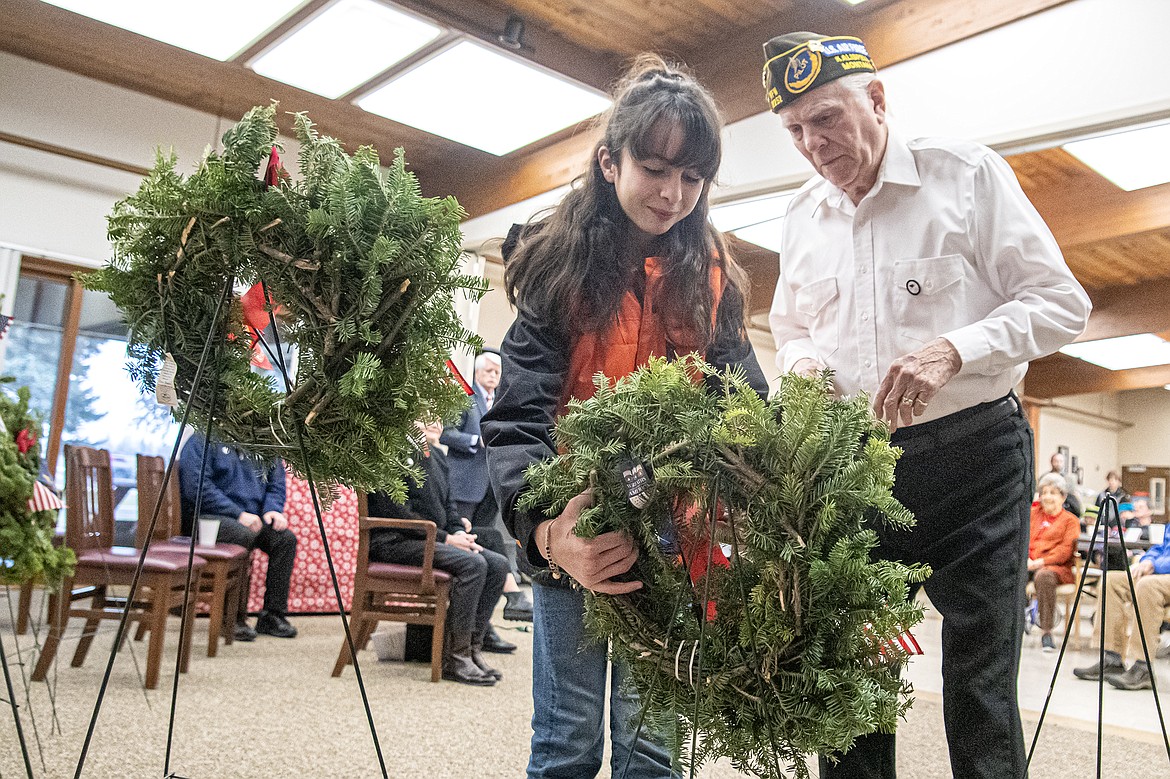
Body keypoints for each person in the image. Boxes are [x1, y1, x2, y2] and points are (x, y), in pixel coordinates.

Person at [762, 31, 1091, 779]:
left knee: (977, 683)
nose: (813, 144)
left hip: (977, 459)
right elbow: (793, 328)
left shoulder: (966, 176)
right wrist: (807, 364)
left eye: (827, 119)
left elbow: (1061, 303)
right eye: (795, 130)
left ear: (877, 100)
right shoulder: (801, 218)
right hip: (857, 471)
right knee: (849, 679)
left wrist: (956, 347)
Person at [482, 53, 767, 779]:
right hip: (576, 543)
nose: (674, 194)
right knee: (567, 741)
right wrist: (548, 535)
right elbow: (516, 421)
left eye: (692, 177)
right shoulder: (558, 265)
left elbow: (745, 406)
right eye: (655, 168)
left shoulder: (711, 278)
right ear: (611, 163)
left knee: (652, 748)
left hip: (674, 546)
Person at [367, 420, 511, 686]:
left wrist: (456, 531)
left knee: (498, 564)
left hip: (433, 539)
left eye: (437, 417)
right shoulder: (390, 455)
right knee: (474, 565)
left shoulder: (436, 456)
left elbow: (450, 507)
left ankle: (471, 649)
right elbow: (395, 512)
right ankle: (454, 659)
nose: (434, 422)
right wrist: (446, 538)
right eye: (424, 417)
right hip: (395, 542)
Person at [178, 432, 298, 640]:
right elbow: (196, 487)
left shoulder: (264, 442)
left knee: (284, 539)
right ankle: (233, 617)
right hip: (208, 518)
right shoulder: (202, 439)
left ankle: (272, 615)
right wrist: (237, 513)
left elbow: (275, 484)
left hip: (252, 519)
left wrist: (273, 509)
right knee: (242, 535)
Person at [443, 351, 534, 622]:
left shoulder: (502, 401)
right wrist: (475, 441)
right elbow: (447, 433)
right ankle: (463, 614)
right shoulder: (465, 397)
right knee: (465, 542)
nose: (494, 376)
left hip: (492, 485)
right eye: (489, 371)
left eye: (498, 372)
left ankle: (480, 618)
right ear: (477, 372)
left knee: (485, 541)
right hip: (465, 482)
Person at [1072, 531, 1170, 690]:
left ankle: (1143, 666)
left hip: (1160, 575)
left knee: (1147, 586)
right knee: (1111, 581)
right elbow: (1161, 548)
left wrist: (1156, 565)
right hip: (1161, 573)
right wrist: (1148, 560)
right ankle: (1112, 659)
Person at [1027, 473, 1081, 652]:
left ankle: (1046, 632)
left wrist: (1040, 562)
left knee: (1044, 577)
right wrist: (1026, 559)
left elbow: (1065, 551)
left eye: (1052, 492)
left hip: (1055, 568)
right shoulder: (1032, 515)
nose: (1047, 497)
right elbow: (1023, 539)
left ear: (1063, 497)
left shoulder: (1070, 521)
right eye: (1044, 492)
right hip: (1029, 563)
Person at [1047, 451, 1082, 518]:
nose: (1058, 463)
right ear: (1051, 462)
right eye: (1056, 461)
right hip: (1049, 509)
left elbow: (1074, 494)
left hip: (1066, 509)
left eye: (1061, 461)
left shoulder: (1069, 479)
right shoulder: (1046, 478)